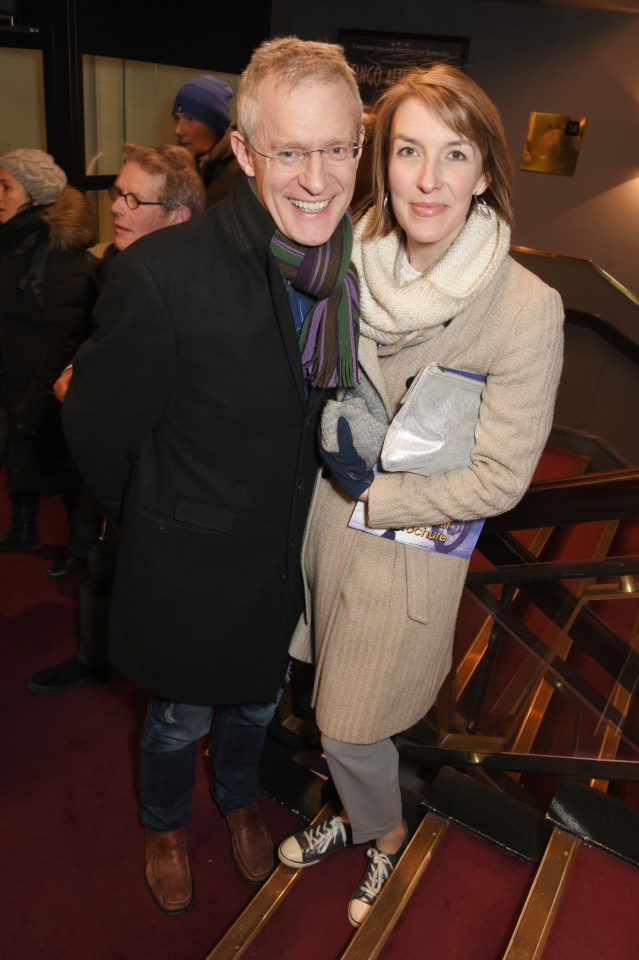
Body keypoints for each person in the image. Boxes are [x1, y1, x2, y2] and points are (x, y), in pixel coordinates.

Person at [62, 37, 364, 915]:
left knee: (255, 710)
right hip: (190, 566)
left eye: (337, 148)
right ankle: (164, 820)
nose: (316, 178)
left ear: (359, 147)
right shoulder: (161, 276)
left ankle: (236, 802)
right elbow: (95, 428)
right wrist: (156, 517)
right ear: (241, 151)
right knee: (176, 717)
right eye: (289, 151)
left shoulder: (356, 270)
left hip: (289, 564)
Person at [278, 63, 565, 927]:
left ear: (484, 172)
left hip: (404, 547)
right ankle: (356, 813)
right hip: (318, 530)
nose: (428, 179)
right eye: (408, 151)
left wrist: (377, 494)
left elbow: (502, 478)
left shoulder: (524, 308)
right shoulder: (350, 259)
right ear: (383, 162)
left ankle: (386, 836)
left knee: (350, 725)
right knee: (323, 697)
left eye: (454, 154)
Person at [25, 143, 205, 695]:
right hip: (116, 463)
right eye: (117, 193)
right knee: (102, 561)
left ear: (178, 217)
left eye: (133, 198)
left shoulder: (191, 285)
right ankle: (95, 656)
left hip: (162, 476)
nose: (117, 208)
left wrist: (85, 391)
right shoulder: (119, 265)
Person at [0, 149, 96, 554]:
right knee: (19, 465)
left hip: (44, 393)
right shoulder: (11, 241)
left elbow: (64, 343)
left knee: (65, 474)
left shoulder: (60, 258)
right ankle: (24, 529)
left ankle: (82, 553)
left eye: (5, 186)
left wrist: (34, 406)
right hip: (13, 383)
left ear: (35, 196)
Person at [173, 73, 239, 205]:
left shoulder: (240, 175)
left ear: (214, 124)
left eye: (189, 119)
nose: (178, 131)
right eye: (177, 119)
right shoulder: (193, 166)